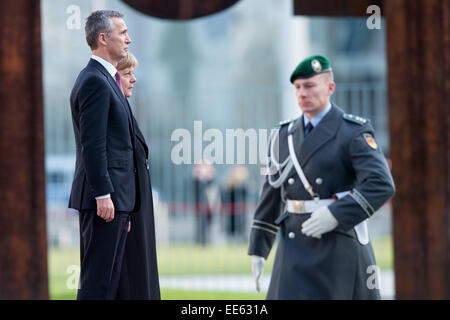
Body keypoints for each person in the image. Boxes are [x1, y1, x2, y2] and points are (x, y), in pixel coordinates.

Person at [247, 55, 395, 299]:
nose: (302, 93)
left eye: (310, 86)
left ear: (330, 87)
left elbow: (381, 184)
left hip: (337, 243)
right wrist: (259, 248)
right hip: (293, 247)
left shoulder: (353, 131)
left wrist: (336, 214)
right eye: (297, 87)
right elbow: (271, 194)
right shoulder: (282, 135)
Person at [69, 10, 137, 299]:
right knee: (98, 284)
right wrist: (103, 195)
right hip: (104, 201)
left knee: (109, 284)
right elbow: (93, 144)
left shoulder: (105, 78)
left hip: (115, 200)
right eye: (122, 33)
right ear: (102, 37)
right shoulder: (94, 81)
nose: (128, 39)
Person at [115, 53, 160, 299]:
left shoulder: (126, 108)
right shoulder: (116, 108)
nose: (134, 79)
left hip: (137, 208)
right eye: (127, 73)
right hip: (129, 210)